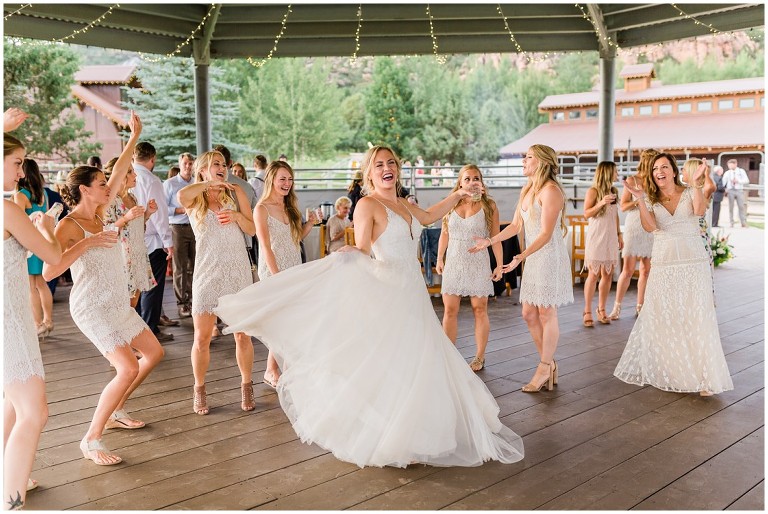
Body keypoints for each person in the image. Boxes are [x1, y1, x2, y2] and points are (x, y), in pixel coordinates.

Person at [215, 144, 524, 468]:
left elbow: (431, 216)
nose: (386, 168)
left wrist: (459, 193)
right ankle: (394, 434)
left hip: (413, 292)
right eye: (379, 165)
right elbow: (364, 248)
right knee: (396, 361)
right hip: (390, 290)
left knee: (419, 360)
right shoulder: (368, 205)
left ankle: (417, 430)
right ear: (370, 172)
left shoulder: (403, 203)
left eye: (391, 162)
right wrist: (350, 254)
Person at [42, 112, 165, 465]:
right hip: (91, 305)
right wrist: (88, 243)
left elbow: (122, 165)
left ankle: (116, 408)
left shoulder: (104, 211)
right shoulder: (70, 224)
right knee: (126, 367)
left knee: (153, 354)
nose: (108, 187)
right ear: (84, 189)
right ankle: (91, 439)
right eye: (100, 183)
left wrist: (135, 135)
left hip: (115, 302)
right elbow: (51, 269)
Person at [615, 154, 733, 396]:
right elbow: (651, 227)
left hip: (693, 263)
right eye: (655, 168)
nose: (659, 171)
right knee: (665, 316)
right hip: (664, 263)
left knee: (696, 315)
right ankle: (676, 370)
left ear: (673, 170)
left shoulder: (690, 191)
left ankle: (705, 377)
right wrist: (639, 200)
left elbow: (699, 211)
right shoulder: (649, 198)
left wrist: (699, 183)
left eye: (664, 167)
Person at [470, 144, 573, 392]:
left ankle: (544, 366)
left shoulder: (551, 191)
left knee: (547, 313)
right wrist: (490, 240)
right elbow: (516, 225)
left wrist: (520, 256)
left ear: (542, 162)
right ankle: (549, 364)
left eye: (528, 157)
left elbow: (547, 233)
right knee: (528, 313)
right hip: (534, 258)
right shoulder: (527, 190)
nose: (523, 161)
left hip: (548, 258)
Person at [4, 132, 62, 511]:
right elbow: (53, 257)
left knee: (11, 404)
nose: (22, 171)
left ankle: (10, 475)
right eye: (16, 162)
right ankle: (11, 502)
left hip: (10, 317)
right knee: (33, 411)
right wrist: (46, 226)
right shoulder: (7, 210)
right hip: (10, 322)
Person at [177, 150, 257, 415]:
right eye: (215, 164)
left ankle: (247, 384)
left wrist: (236, 216)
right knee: (201, 338)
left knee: (242, 335)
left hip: (237, 271)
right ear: (202, 170)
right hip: (207, 272)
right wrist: (208, 184)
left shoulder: (236, 193)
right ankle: (199, 388)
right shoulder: (194, 198)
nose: (222, 168)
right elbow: (180, 196)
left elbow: (252, 229)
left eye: (224, 164)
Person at [253, 160, 320, 388]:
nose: (287, 184)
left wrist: (310, 223)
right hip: (274, 270)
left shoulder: (290, 207)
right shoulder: (261, 209)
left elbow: (295, 239)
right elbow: (265, 246)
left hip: (293, 266)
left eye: (290, 179)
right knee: (280, 321)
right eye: (282, 179)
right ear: (271, 179)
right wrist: (277, 276)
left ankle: (278, 367)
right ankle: (272, 369)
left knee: (289, 320)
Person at [436, 164, 502, 372]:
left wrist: (499, 264)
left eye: (476, 178)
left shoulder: (489, 205)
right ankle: (449, 355)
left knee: (479, 309)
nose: (472, 182)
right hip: (454, 261)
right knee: (450, 310)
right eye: (467, 178)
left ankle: (479, 357)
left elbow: (496, 237)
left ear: (481, 182)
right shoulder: (451, 203)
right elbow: (444, 233)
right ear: (460, 182)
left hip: (478, 262)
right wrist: (439, 258)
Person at [132, 141, 174, 342]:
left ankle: (140, 329)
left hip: (133, 239)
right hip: (153, 240)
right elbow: (159, 214)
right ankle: (149, 331)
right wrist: (168, 240)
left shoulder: (128, 176)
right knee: (153, 288)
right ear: (152, 159)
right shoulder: (151, 180)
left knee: (139, 286)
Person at [103, 155, 158, 308]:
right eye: (130, 172)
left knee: (134, 303)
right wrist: (125, 218)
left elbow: (136, 228)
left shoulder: (132, 197)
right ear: (119, 175)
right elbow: (106, 231)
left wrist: (148, 214)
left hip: (138, 255)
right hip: (122, 258)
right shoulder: (109, 201)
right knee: (125, 305)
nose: (135, 175)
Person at [609, 149, 657, 320]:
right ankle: (617, 307)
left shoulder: (656, 181)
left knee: (646, 270)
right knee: (628, 270)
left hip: (651, 226)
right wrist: (639, 199)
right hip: (634, 226)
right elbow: (623, 206)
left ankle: (640, 307)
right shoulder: (632, 180)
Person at [13, 159, 55, 338]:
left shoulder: (21, 194)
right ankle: (48, 320)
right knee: (42, 283)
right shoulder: (42, 193)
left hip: (29, 244)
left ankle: (37, 324)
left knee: (31, 286)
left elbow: (17, 221)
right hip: (42, 241)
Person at [582, 161, 622, 327]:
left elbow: (615, 215)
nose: (617, 175)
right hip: (597, 237)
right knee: (593, 274)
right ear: (607, 173)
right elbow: (586, 214)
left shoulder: (614, 191)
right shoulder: (593, 191)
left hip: (611, 237)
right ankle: (587, 311)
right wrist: (601, 202)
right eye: (615, 172)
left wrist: (619, 233)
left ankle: (601, 309)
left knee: (608, 274)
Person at [164, 152, 196, 318]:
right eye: (185, 163)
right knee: (180, 267)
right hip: (177, 227)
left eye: (191, 163)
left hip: (195, 228)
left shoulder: (196, 183)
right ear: (180, 163)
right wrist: (180, 210)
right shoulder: (170, 184)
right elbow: (162, 208)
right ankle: (181, 303)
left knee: (194, 266)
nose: (188, 166)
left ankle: (192, 300)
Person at [722, 158, 749, 227]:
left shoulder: (741, 171)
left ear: (735, 164)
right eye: (729, 166)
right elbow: (723, 182)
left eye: (731, 165)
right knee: (731, 207)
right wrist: (724, 189)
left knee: (741, 206)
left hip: (739, 190)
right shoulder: (727, 173)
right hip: (730, 190)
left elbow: (746, 180)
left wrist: (738, 181)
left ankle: (743, 222)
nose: (730, 167)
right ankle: (731, 222)